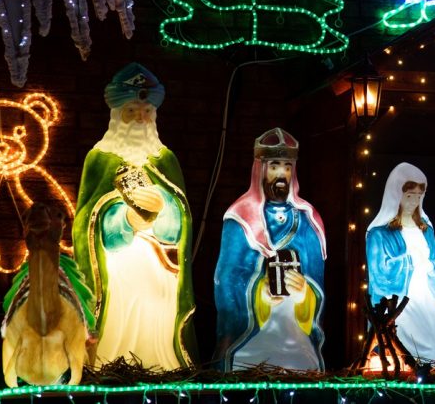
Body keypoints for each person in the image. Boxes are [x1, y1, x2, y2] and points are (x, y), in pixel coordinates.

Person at [73, 63, 197, 370]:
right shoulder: (99, 158)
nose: (141, 118)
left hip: (160, 267)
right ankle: (111, 367)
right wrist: (125, 221)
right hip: (118, 270)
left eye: (146, 111)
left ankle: (162, 367)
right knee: (120, 317)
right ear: (117, 114)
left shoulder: (165, 159)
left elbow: (182, 218)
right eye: (132, 111)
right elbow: (85, 220)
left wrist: (163, 209)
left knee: (156, 317)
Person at [213, 128, 327, 371]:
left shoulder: (308, 219)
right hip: (252, 336)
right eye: (274, 166)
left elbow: (317, 278)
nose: (281, 174)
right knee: (245, 365)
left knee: (303, 365)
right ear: (260, 169)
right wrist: (259, 294)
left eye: (287, 166)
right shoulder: (240, 217)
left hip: (294, 333)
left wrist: (304, 292)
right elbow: (228, 281)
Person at [366, 162, 435, 365]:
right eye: (409, 196)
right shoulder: (379, 234)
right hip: (401, 302)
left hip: (428, 299)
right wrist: (410, 262)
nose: (414, 201)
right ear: (396, 195)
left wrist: (431, 268)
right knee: (410, 347)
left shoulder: (426, 230)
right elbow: (379, 275)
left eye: (419, 196)